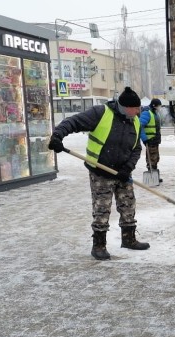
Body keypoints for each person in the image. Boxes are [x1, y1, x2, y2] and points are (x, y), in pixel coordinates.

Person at [48, 86, 150, 261]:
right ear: (125, 107)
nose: (138, 111)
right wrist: (58, 135)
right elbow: (74, 121)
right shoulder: (101, 113)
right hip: (100, 171)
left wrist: (128, 168)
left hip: (122, 172)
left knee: (128, 205)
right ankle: (99, 245)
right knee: (102, 208)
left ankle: (129, 239)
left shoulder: (135, 121)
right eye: (135, 108)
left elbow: (137, 149)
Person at [140, 98, 162, 181]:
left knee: (155, 158)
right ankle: (151, 176)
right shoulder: (147, 113)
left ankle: (155, 175)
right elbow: (140, 126)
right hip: (150, 140)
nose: (159, 108)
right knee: (151, 158)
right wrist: (144, 139)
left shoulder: (154, 113)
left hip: (155, 140)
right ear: (154, 106)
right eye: (158, 106)